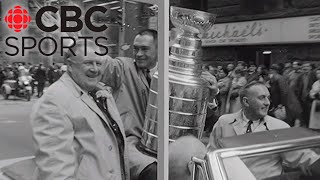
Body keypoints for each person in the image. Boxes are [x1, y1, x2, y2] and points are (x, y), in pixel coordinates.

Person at [30, 40, 130, 180]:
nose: (95, 69)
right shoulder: (54, 101)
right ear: (70, 66)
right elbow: (56, 171)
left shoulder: (101, 93)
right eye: (88, 63)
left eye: (98, 63)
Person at [208, 81, 320, 180]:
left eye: (268, 97)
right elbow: (210, 156)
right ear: (246, 102)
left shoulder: (279, 127)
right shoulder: (224, 122)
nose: (267, 102)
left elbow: (304, 157)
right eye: (261, 98)